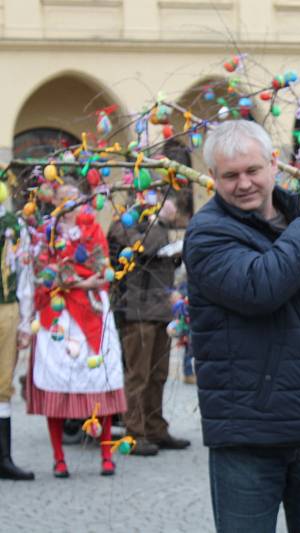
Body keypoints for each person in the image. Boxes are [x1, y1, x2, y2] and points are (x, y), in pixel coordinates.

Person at [183, 120, 300, 532]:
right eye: (229, 176)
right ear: (212, 179)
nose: (243, 184)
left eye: (252, 170)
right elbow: (263, 286)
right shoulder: (207, 234)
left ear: (275, 164)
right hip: (248, 437)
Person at [23, 179, 126, 478]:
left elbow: (100, 265)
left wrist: (72, 275)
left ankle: (106, 454)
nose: (68, 207)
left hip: (91, 311)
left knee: (100, 380)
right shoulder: (47, 233)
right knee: (57, 380)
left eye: (74, 201)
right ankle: (58, 458)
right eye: (64, 201)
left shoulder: (91, 229)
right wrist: (78, 280)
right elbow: (46, 271)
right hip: (59, 316)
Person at [107, 197, 189, 456]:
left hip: (160, 309)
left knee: (158, 374)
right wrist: (159, 222)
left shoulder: (155, 226)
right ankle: (134, 432)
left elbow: (167, 258)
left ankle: (155, 428)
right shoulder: (124, 224)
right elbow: (144, 247)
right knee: (138, 376)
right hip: (136, 310)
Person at [0, 208, 34, 480]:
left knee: (2, 384)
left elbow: (24, 274)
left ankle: (3, 457)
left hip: (5, 308)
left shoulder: (13, 225)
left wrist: (25, 323)